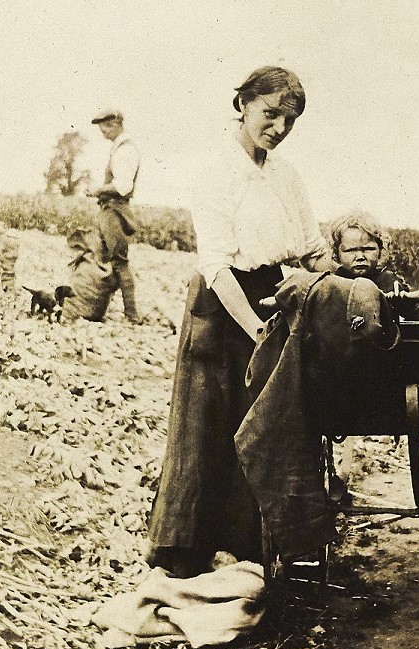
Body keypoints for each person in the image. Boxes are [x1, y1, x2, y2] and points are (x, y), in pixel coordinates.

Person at [146, 66, 333, 578]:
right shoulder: (215, 170)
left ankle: (245, 551)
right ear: (244, 105)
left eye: (289, 120)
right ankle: (185, 553)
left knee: (260, 423)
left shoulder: (287, 175)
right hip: (222, 303)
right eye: (270, 114)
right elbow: (214, 263)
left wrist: (349, 284)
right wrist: (255, 329)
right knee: (208, 424)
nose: (278, 127)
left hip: (274, 298)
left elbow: (313, 247)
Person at [329, 208, 419, 490]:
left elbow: (412, 304)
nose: (360, 255)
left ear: (381, 251)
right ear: (337, 254)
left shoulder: (390, 281)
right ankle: (340, 469)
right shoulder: (333, 285)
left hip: (387, 376)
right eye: (351, 249)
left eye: (368, 248)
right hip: (343, 378)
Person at [89, 108, 141, 323]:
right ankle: (95, 308)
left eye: (105, 127)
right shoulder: (120, 149)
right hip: (111, 209)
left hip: (114, 210)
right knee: (106, 259)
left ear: (115, 124)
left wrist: (98, 190)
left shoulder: (124, 151)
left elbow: (122, 185)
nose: (102, 132)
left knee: (119, 261)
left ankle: (132, 314)